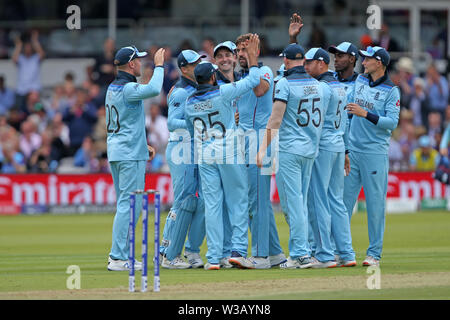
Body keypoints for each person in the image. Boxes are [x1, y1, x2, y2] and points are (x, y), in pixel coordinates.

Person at [184, 34, 261, 270]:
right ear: (213, 77)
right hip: (228, 152)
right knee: (238, 202)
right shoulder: (223, 92)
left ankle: (214, 257)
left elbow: (190, 130)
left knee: (213, 206)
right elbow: (253, 80)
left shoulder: (188, 102)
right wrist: (254, 57)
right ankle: (237, 251)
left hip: (205, 155)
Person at [257, 43, 328, 269]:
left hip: (289, 150)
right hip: (310, 150)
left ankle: (300, 254)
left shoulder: (285, 83)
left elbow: (276, 119)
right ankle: (302, 251)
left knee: (294, 204)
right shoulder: (319, 85)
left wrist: (261, 149)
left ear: (286, 61)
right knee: (298, 202)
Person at [106, 45, 165, 271]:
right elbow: (154, 89)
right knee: (128, 205)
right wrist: (159, 66)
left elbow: (127, 124)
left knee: (127, 204)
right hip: (129, 154)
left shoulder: (112, 87)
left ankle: (121, 255)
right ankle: (118, 257)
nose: (141, 63)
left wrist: (144, 145)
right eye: (139, 60)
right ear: (131, 64)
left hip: (121, 151)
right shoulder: (128, 88)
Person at [344, 46, 400, 267]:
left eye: (367, 59)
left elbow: (391, 123)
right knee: (343, 204)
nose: (363, 61)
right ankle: (342, 250)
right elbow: (347, 109)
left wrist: (365, 113)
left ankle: (374, 254)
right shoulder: (360, 81)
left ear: (379, 63)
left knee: (375, 206)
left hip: (374, 153)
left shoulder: (391, 90)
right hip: (353, 152)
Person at [235, 32, 286, 269]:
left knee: (256, 202)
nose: (241, 55)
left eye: (245, 50)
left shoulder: (265, 71)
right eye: (239, 51)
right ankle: (275, 253)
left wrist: (254, 60)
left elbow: (260, 91)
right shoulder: (241, 77)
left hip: (260, 141)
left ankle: (260, 255)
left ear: (255, 51)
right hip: (244, 141)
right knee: (256, 202)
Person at [303, 47, 357, 268]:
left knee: (319, 200)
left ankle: (324, 254)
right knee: (337, 201)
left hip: (323, 146)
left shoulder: (321, 88)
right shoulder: (340, 87)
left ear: (321, 64)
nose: (305, 67)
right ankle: (346, 253)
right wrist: (344, 150)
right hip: (336, 144)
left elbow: (313, 123)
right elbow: (344, 123)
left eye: (309, 63)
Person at [160, 49, 206, 269]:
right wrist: (197, 124)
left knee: (194, 202)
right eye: (195, 64)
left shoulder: (194, 88)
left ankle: (168, 251)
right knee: (183, 202)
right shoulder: (180, 92)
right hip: (181, 148)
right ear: (185, 68)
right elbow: (171, 123)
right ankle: (169, 255)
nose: (199, 66)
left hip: (191, 148)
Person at [12, 30, 45, 113]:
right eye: (26, 47)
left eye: (29, 47)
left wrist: (34, 41)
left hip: (34, 89)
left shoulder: (35, 58)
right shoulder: (21, 58)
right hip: (22, 89)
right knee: (20, 111)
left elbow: (42, 53)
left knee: (38, 109)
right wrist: (19, 45)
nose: (28, 49)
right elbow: (14, 59)